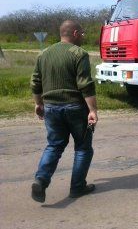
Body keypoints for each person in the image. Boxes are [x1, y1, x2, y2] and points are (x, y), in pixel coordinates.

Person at [30, 20, 98, 203]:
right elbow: (85, 84)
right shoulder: (79, 54)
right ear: (75, 33)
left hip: (51, 108)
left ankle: (41, 180)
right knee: (83, 148)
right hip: (75, 108)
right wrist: (92, 110)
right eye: (82, 33)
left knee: (54, 146)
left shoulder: (44, 54)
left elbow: (35, 82)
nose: (83, 37)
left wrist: (39, 104)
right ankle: (77, 187)